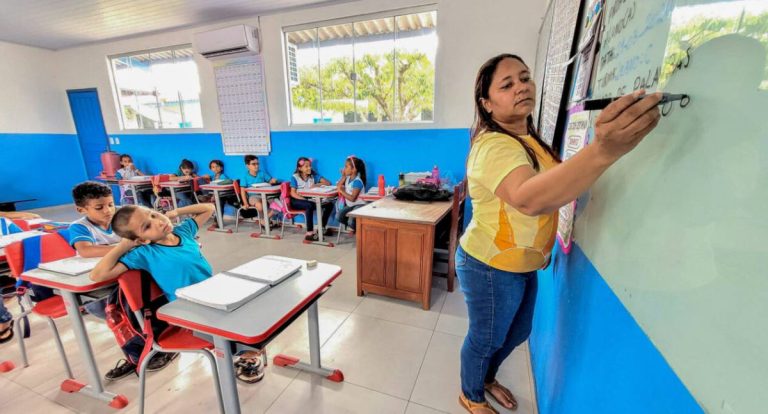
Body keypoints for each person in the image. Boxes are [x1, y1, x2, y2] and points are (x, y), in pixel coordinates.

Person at [456, 53, 661, 413]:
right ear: (486, 105)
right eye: (507, 84)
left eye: (525, 78)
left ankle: (485, 378)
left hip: (522, 262)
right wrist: (603, 150)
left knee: (517, 333)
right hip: (487, 263)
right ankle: (470, 395)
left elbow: (553, 189)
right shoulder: (492, 146)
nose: (521, 87)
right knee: (486, 336)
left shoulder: (528, 138)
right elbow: (528, 199)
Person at [91, 203, 265, 383]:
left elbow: (209, 208)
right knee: (243, 320)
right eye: (147, 226)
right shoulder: (145, 253)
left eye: (153, 215)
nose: (158, 222)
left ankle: (244, 350)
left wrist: (176, 212)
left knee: (254, 303)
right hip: (188, 310)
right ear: (142, 240)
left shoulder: (183, 232)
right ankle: (245, 356)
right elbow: (98, 275)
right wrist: (124, 245)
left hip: (214, 296)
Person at [69, 181, 176, 380]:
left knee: (147, 307)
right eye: (99, 207)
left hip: (132, 275)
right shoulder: (79, 227)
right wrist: (128, 247)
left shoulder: (121, 217)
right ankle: (138, 355)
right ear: (81, 209)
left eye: (110, 204)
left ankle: (156, 345)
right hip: (107, 282)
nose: (108, 210)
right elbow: (86, 250)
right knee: (123, 316)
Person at [289, 157, 333, 242]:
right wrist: (304, 200)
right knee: (309, 205)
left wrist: (317, 185)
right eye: (306, 166)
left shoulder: (313, 176)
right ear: (300, 168)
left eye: (310, 166)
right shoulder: (295, 177)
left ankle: (321, 228)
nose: (309, 168)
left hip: (310, 200)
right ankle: (309, 233)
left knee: (329, 204)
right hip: (296, 200)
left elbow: (328, 183)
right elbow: (293, 193)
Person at [335, 155, 367, 231]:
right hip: (350, 205)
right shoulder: (348, 178)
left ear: (354, 170)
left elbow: (353, 198)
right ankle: (355, 227)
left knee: (351, 221)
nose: (344, 169)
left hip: (359, 205)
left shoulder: (357, 182)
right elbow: (338, 186)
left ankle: (360, 230)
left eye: (346, 167)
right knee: (338, 216)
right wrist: (343, 176)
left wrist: (342, 191)